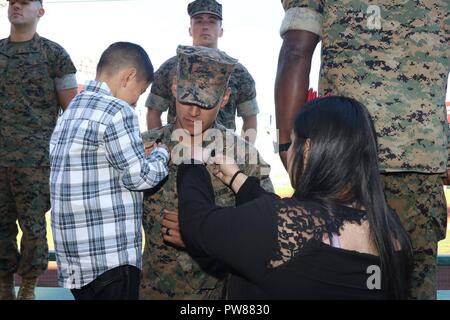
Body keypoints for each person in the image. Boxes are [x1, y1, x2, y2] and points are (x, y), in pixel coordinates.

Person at [275, 0, 450, 299]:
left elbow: (295, 51)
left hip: (340, 162)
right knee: (412, 288)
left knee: (338, 284)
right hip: (418, 165)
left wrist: (287, 145)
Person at [178, 96, 413, 300]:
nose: (288, 151)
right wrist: (237, 179)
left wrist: (192, 160)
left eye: (291, 142)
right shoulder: (390, 227)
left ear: (308, 149)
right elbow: (284, 220)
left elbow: (197, 222)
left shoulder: (285, 225)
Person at [139, 45, 273, 300]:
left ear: (224, 98)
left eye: (205, 102)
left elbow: (269, 232)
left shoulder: (244, 158)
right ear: (175, 87)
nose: (193, 112)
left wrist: (206, 234)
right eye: (188, 98)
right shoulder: (143, 148)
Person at [49, 42, 170, 300]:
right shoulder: (118, 111)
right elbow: (141, 177)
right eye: (140, 92)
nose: (136, 102)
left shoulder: (73, 110)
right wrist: (161, 153)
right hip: (110, 258)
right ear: (128, 76)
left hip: (75, 261)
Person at [0, 0, 77, 300]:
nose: (16, 6)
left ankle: (29, 286)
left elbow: (71, 111)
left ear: (40, 12)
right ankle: (5, 285)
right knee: (0, 225)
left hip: (36, 162)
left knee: (33, 229)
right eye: (12, 2)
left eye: (24, 2)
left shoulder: (54, 55)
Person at [146, 0, 259, 143]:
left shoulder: (238, 73)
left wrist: (241, 157)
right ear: (190, 29)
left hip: (221, 157)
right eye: (198, 21)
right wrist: (159, 150)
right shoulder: (170, 68)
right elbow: (154, 112)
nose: (205, 26)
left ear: (221, 30)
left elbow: (250, 118)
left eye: (212, 22)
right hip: (177, 153)